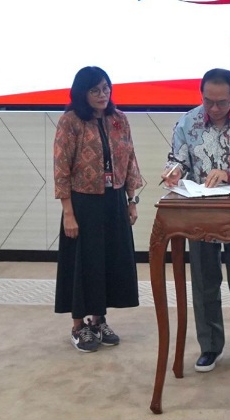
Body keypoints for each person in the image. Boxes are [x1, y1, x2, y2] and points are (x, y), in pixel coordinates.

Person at [161, 68, 230, 373]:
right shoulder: (187, 122)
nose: (213, 108)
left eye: (222, 102)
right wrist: (173, 171)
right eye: (208, 101)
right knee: (204, 282)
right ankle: (209, 347)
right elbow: (178, 159)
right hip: (200, 213)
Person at [53, 66, 142, 352]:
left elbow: (130, 159)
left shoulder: (119, 119)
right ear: (82, 93)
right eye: (95, 90)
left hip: (113, 199)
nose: (103, 94)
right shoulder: (70, 121)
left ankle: (98, 320)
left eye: (106, 88)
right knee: (83, 263)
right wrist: (68, 213)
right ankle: (78, 325)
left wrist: (131, 200)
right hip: (83, 202)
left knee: (108, 260)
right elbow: (61, 168)